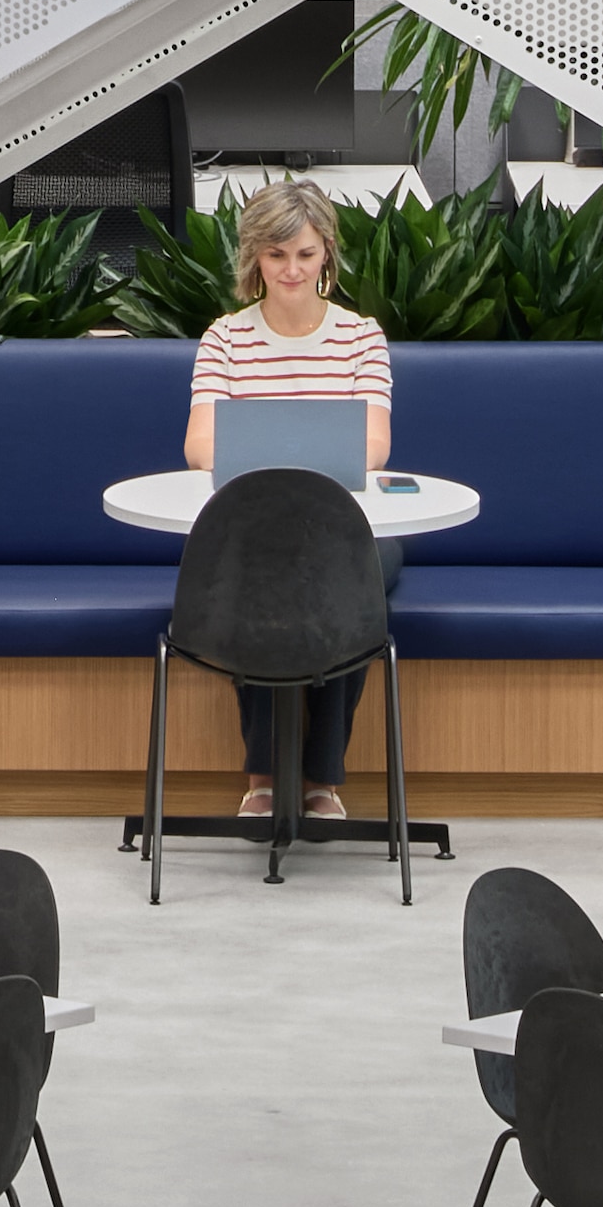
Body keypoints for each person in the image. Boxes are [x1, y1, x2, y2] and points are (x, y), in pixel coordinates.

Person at [180, 173, 399, 820]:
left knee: (350, 575)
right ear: (255, 257)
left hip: (349, 529)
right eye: (277, 256)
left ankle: (320, 779)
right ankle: (265, 776)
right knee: (261, 569)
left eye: (305, 254)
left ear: (326, 252)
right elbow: (199, 446)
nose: (292, 270)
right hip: (255, 527)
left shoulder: (362, 338)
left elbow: (375, 446)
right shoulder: (225, 339)